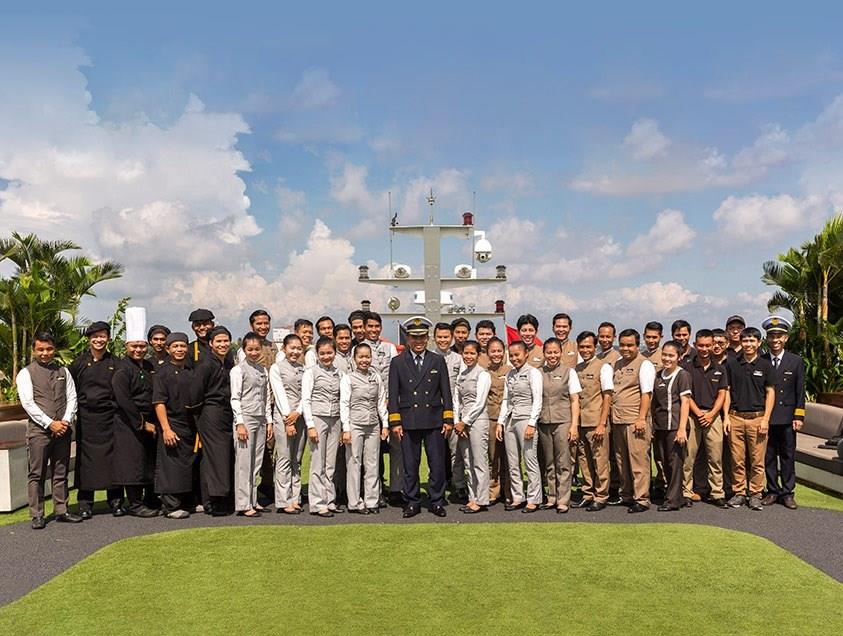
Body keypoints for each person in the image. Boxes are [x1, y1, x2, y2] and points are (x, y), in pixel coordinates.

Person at [388, 316, 454, 518]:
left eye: (422, 337)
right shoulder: (397, 362)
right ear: (408, 338)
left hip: (433, 420)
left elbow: (446, 391)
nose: (418, 341)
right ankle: (412, 501)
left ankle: (436, 500)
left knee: (437, 464)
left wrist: (448, 419)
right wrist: (395, 421)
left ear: (427, 338)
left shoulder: (437, 360)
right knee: (410, 465)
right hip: (409, 420)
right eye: (414, 337)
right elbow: (393, 393)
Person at [16, 332, 82, 529]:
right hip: (39, 431)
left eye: (49, 349)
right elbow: (28, 403)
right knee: (37, 473)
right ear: (34, 351)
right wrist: (50, 423)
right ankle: (37, 514)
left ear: (54, 349)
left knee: (60, 471)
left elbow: (72, 397)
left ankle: (62, 510)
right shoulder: (26, 373)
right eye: (41, 349)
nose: (45, 353)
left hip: (63, 429)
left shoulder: (63, 371)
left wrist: (65, 421)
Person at [69, 321, 124, 518]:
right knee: (85, 462)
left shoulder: (117, 363)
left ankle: (116, 501)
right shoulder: (78, 364)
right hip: (87, 419)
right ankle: (85, 503)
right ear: (89, 339)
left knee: (113, 460)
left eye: (102, 336)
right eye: (95, 336)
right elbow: (70, 390)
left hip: (110, 418)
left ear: (108, 338)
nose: (99, 340)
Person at [111, 307, 159, 518]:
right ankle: (134, 503)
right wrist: (141, 422)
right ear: (126, 346)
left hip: (149, 420)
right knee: (133, 463)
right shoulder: (122, 370)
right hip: (128, 422)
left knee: (147, 461)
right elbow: (124, 400)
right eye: (134, 346)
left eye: (141, 346)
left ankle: (149, 499)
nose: (138, 350)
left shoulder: (148, 366)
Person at [723, 327, 776, 510]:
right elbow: (727, 391)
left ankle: (755, 494)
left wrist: (766, 419)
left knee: (757, 461)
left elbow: (770, 393)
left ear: (759, 343)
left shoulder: (766, 365)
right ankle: (739, 493)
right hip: (735, 417)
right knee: (737, 459)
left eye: (752, 341)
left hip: (757, 418)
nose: (748, 344)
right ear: (741, 342)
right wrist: (726, 417)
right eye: (745, 340)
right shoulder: (732, 364)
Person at [153, 332, 202, 518]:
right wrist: (166, 429)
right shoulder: (162, 373)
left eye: (182, 346)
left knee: (189, 464)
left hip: (189, 424)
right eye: (175, 346)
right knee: (171, 466)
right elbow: (159, 402)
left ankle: (188, 502)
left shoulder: (191, 370)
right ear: (168, 349)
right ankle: (171, 506)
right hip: (171, 423)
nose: (179, 349)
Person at [761, 316, 805, 510]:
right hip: (767, 417)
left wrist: (799, 416)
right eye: (772, 336)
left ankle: (787, 493)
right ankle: (772, 490)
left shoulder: (795, 361)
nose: (775, 340)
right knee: (769, 456)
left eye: (779, 336)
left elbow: (800, 390)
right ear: (767, 338)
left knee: (787, 456)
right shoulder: (761, 360)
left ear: (786, 338)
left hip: (787, 417)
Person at [610, 328, 656, 513]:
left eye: (630, 345)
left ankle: (642, 498)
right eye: (622, 345)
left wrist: (641, 418)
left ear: (637, 346)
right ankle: (627, 495)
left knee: (638, 462)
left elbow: (647, 393)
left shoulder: (644, 364)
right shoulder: (617, 364)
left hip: (635, 420)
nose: (625, 348)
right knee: (622, 461)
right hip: (618, 419)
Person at [340, 343, 389, 515]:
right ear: (354, 359)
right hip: (355, 424)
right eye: (361, 357)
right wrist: (346, 429)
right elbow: (344, 404)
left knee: (372, 463)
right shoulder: (348, 378)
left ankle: (372, 500)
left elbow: (381, 402)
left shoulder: (376, 377)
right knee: (354, 462)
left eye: (367, 357)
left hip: (373, 425)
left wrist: (385, 424)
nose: (364, 360)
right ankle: (354, 502)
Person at [683, 329, 729, 508]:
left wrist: (711, 414)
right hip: (692, 415)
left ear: (713, 346)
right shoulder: (687, 367)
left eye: (708, 345)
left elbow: (722, 394)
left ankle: (717, 493)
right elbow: (686, 395)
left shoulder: (720, 368)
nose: (704, 349)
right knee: (689, 457)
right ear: (695, 345)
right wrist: (699, 413)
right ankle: (686, 492)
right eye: (701, 345)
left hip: (713, 416)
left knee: (715, 457)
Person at [230, 332, 273, 518]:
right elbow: (235, 398)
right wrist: (239, 422)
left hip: (260, 417)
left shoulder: (263, 370)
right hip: (246, 418)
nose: (254, 353)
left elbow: (266, 397)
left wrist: (269, 421)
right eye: (250, 349)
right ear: (244, 350)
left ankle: (253, 499)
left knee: (256, 461)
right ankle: (243, 503)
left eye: (257, 349)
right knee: (244, 462)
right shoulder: (237, 370)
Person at [497, 340, 543, 513]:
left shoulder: (533, 373)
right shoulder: (510, 374)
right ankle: (518, 497)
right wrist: (501, 422)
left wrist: (532, 423)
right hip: (511, 419)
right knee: (513, 462)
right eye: (512, 355)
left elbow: (537, 400)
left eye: (517, 355)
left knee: (530, 460)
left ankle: (534, 498)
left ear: (526, 354)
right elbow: (506, 399)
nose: (514, 358)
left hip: (526, 418)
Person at [537, 337, 582, 513]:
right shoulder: (538, 373)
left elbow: (574, 400)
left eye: (555, 352)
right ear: (544, 353)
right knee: (549, 462)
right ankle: (552, 496)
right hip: (544, 422)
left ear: (561, 353)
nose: (552, 356)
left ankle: (563, 499)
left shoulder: (569, 372)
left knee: (563, 462)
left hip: (563, 421)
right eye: (549, 352)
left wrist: (574, 425)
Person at [194, 325, 235, 516]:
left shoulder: (228, 363)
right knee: (215, 457)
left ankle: (222, 497)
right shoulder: (205, 364)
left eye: (226, 341)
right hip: (210, 412)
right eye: (219, 341)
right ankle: (214, 501)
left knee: (225, 456)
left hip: (227, 412)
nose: (223, 344)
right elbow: (195, 393)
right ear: (211, 343)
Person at [302, 336, 343, 517]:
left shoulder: (340, 373)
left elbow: (343, 399)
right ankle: (318, 503)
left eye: (329, 353)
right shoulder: (310, 372)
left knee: (330, 463)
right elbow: (306, 399)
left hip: (335, 419)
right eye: (322, 353)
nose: (326, 357)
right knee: (318, 462)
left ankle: (329, 499)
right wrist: (310, 425)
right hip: (318, 418)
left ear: (335, 353)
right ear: (317, 354)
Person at [364, 311, 401, 505]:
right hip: (369, 407)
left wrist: (391, 400)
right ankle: (375, 490)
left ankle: (396, 488)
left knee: (396, 447)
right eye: (370, 326)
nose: (373, 329)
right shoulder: (359, 348)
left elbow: (395, 375)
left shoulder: (389, 348)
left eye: (376, 326)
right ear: (364, 328)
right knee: (372, 452)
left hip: (389, 404)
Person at [574, 331, 613, 512]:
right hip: (581, 422)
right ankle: (587, 493)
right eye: (582, 347)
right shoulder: (577, 368)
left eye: (588, 346)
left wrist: (602, 423)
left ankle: (601, 495)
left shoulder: (603, 367)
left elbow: (607, 396)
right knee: (584, 460)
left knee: (600, 461)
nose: (585, 350)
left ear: (595, 347)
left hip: (596, 422)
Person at [650, 341, 691, 511]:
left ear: (679, 357)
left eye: (671, 355)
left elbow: (685, 402)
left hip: (674, 426)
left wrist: (681, 429)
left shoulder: (682, 375)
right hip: (660, 426)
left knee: (675, 464)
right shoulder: (658, 375)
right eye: (665, 355)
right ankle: (677, 496)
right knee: (664, 462)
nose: (667, 358)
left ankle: (673, 500)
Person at [269, 334, 307, 515]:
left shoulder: (304, 369)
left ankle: (295, 497)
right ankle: (283, 500)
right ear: (284, 349)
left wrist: (298, 412)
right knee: (284, 458)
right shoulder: (276, 368)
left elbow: (306, 394)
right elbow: (279, 394)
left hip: (300, 415)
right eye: (292, 348)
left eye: (299, 348)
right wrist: (288, 419)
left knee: (296, 458)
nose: (295, 351)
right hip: (283, 416)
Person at [454, 340, 492, 513]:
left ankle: (482, 499)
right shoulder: (461, 375)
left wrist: (465, 422)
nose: (468, 356)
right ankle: (472, 497)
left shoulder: (483, 374)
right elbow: (457, 400)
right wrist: (457, 421)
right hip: (462, 422)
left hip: (477, 421)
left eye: (472, 353)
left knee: (479, 461)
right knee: (468, 461)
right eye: (466, 353)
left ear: (478, 355)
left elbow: (480, 402)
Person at [434, 322, 467, 502]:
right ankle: (436, 486)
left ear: (451, 338)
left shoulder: (459, 359)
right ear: (434, 338)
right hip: (433, 411)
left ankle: (459, 485)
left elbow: (461, 386)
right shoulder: (429, 357)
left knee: (456, 452)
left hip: (453, 411)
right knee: (435, 453)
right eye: (439, 337)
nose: (443, 340)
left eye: (446, 337)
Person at [484, 337, 511, 504]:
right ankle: (493, 489)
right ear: (487, 353)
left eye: (499, 351)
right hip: (492, 418)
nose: (496, 354)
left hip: (509, 419)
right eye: (493, 351)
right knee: (493, 456)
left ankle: (509, 490)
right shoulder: (484, 373)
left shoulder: (511, 370)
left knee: (510, 457)